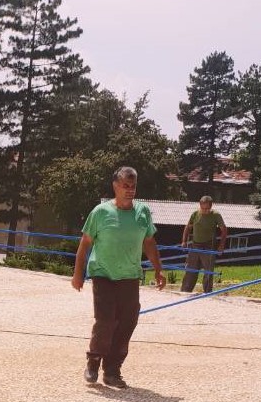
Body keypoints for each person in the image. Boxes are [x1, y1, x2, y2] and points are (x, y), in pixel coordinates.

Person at [72, 166, 165, 389]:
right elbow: (85, 244)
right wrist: (78, 274)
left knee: (127, 322)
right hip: (103, 273)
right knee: (105, 321)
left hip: (130, 275)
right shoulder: (100, 212)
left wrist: (158, 270)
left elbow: (149, 242)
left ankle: (112, 370)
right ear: (115, 186)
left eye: (133, 186)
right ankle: (94, 361)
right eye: (125, 186)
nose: (130, 190)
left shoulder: (142, 212)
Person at [181, 195, 227, 294]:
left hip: (209, 246)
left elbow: (224, 230)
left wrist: (221, 245)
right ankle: (185, 291)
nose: (205, 210)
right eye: (203, 208)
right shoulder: (195, 214)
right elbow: (188, 227)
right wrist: (184, 241)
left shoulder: (216, 215)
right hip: (195, 245)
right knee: (190, 270)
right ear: (200, 205)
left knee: (208, 271)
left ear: (211, 206)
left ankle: (207, 292)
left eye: (207, 209)